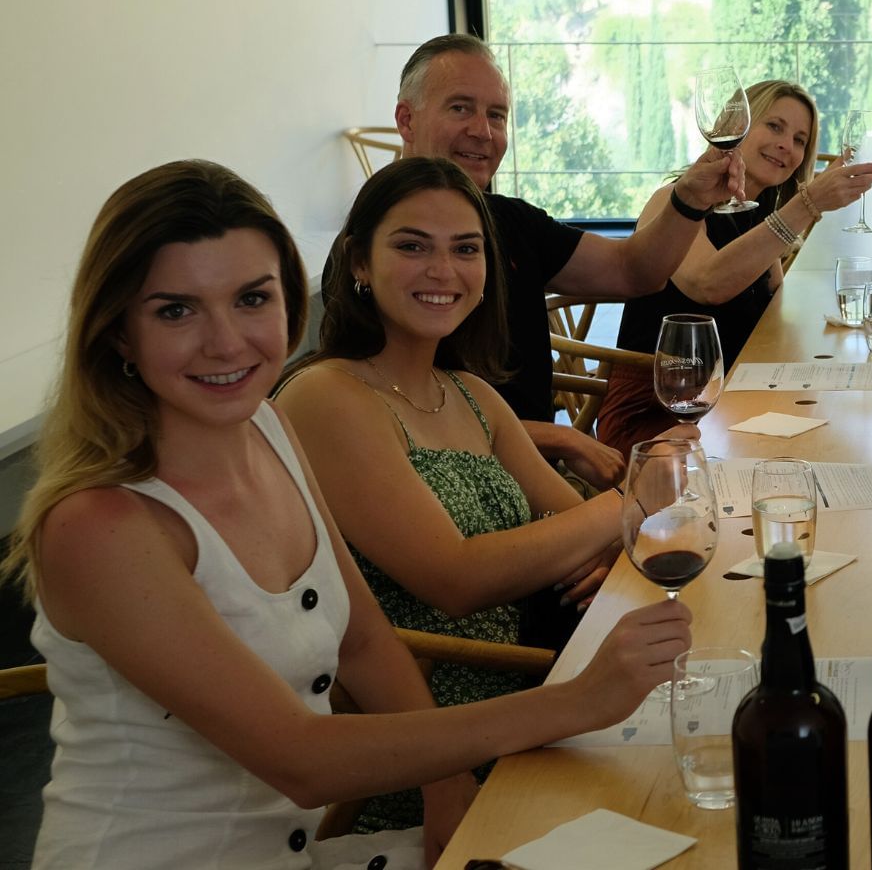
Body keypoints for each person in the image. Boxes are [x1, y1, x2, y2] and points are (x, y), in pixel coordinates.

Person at [2, 161, 691, 869]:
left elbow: (363, 639)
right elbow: (300, 759)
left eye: (251, 299)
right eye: (175, 310)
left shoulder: (268, 430)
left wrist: (446, 781)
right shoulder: (98, 526)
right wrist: (577, 702)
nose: (227, 341)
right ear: (117, 332)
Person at [390, 33, 743, 491]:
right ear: (406, 118)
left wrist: (690, 198)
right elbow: (401, 417)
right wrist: (560, 440)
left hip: (536, 475)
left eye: (496, 115)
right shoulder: (381, 250)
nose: (483, 131)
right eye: (460, 108)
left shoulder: (511, 221)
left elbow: (632, 270)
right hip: (453, 488)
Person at [594, 79, 872, 458]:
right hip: (663, 412)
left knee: (845, 440)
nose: (786, 145)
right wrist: (807, 205)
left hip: (733, 402)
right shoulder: (673, 203)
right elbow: (708, 284)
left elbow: (775, 311)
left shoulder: (756, 215)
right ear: (736, 127)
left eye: (799, 140)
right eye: (775, 126)